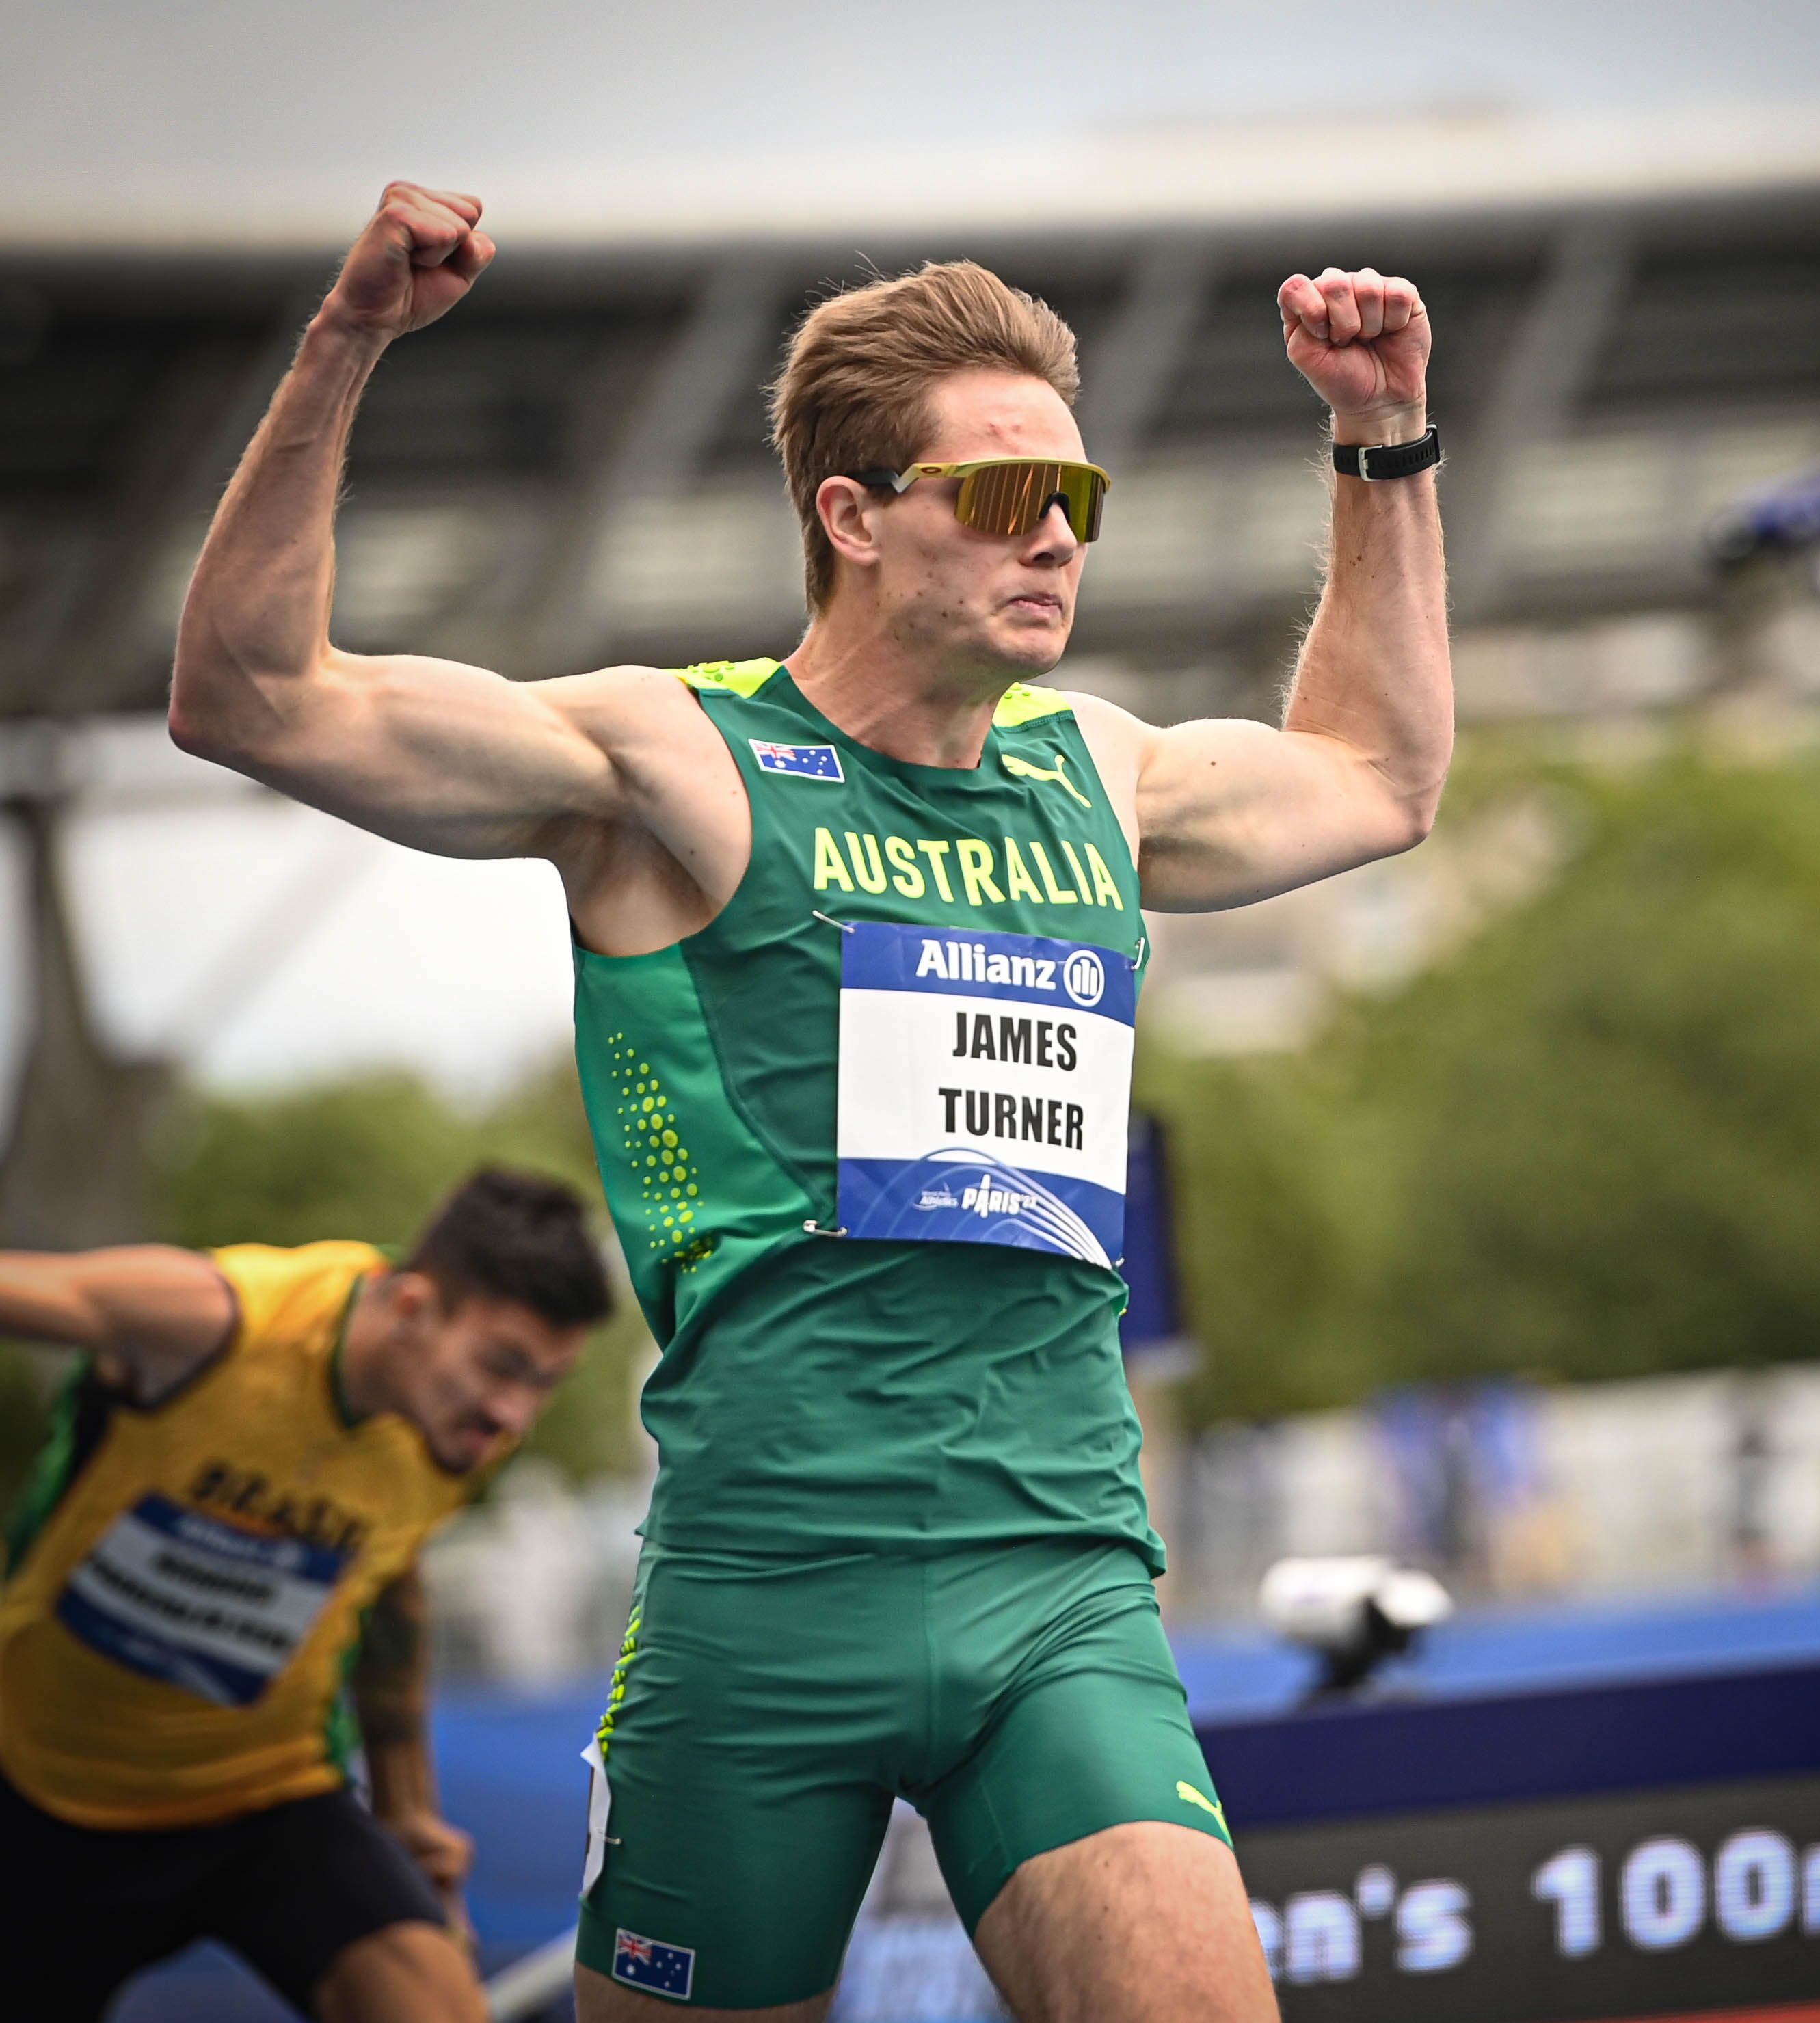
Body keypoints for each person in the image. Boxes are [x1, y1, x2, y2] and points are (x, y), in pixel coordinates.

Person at [167, 180, 1450, 2022]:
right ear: (847, 516)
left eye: (1073, 497)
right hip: (761, 1608)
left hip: (1058, 1589)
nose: (1054, 538)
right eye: (1004, 495)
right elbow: (248, 694)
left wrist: (1375, 435)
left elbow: (1374, 771)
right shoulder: (671, 760)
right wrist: (346, 338)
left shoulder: (1093, 770)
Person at [0, 1167, 612, 2022]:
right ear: (411, 1311)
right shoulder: (218, 1324)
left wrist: (406, 1812)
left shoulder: (459, 1430)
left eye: (545, 1381)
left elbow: (390, 1583)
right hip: (41, 1797)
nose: (513, 1413)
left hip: (265, 1799)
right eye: (502, 1365)